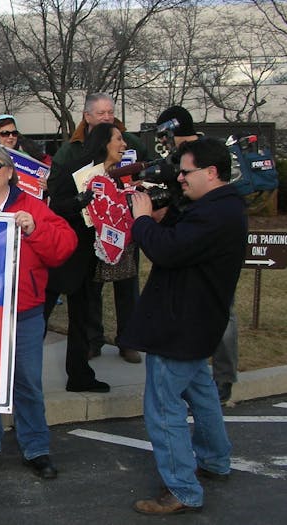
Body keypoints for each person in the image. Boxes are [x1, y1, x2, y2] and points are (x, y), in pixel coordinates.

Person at [121, 138, 245, 515]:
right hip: (197, 322)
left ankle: (182, 488)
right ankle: (215, 460)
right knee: (202, 394)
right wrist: (162, 216)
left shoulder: (215, 214)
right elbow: (183, 238)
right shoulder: (219, 207)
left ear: (211, 172)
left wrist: (142, 219)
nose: (179, 178)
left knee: (163, 407)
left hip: (179, 326)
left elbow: (168, 251)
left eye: (186, 172)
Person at [0, 144, 76, 480]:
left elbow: (64, 247)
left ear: (9, 171)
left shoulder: (32, 208)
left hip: (24, 312)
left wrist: (36, 229)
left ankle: (36, 448)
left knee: (27, 383)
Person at [51, 93, 148, 364]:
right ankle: (91, 341)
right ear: (87, 116)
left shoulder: (131, 144)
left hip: (123, 230)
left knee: (127, 285)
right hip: (87, 239)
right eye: (101, 112)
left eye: (110, 112)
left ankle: (128, 340)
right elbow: (59, 199)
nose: (107, 116)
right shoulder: (71, 153)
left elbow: (143, 172)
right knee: (89, 291)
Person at [154, 105, 239, 404]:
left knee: (222, 311)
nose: (162, 140)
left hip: (211, 238)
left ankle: (224, 379)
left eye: (163, 133)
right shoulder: (171, 160)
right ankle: (200, 381)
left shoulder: (211, 153)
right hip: (185, 236)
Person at [45, 122, 129, 393]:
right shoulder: (78, 172)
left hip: (90, 256)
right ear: (105, 142)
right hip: (63, 254)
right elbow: (56, 205)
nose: (124, 145)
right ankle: (17, 376)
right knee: (38, 320)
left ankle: (80, 375)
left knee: (82, 317)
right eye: (119, 139)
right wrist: (81, 201)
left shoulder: (112, 176)